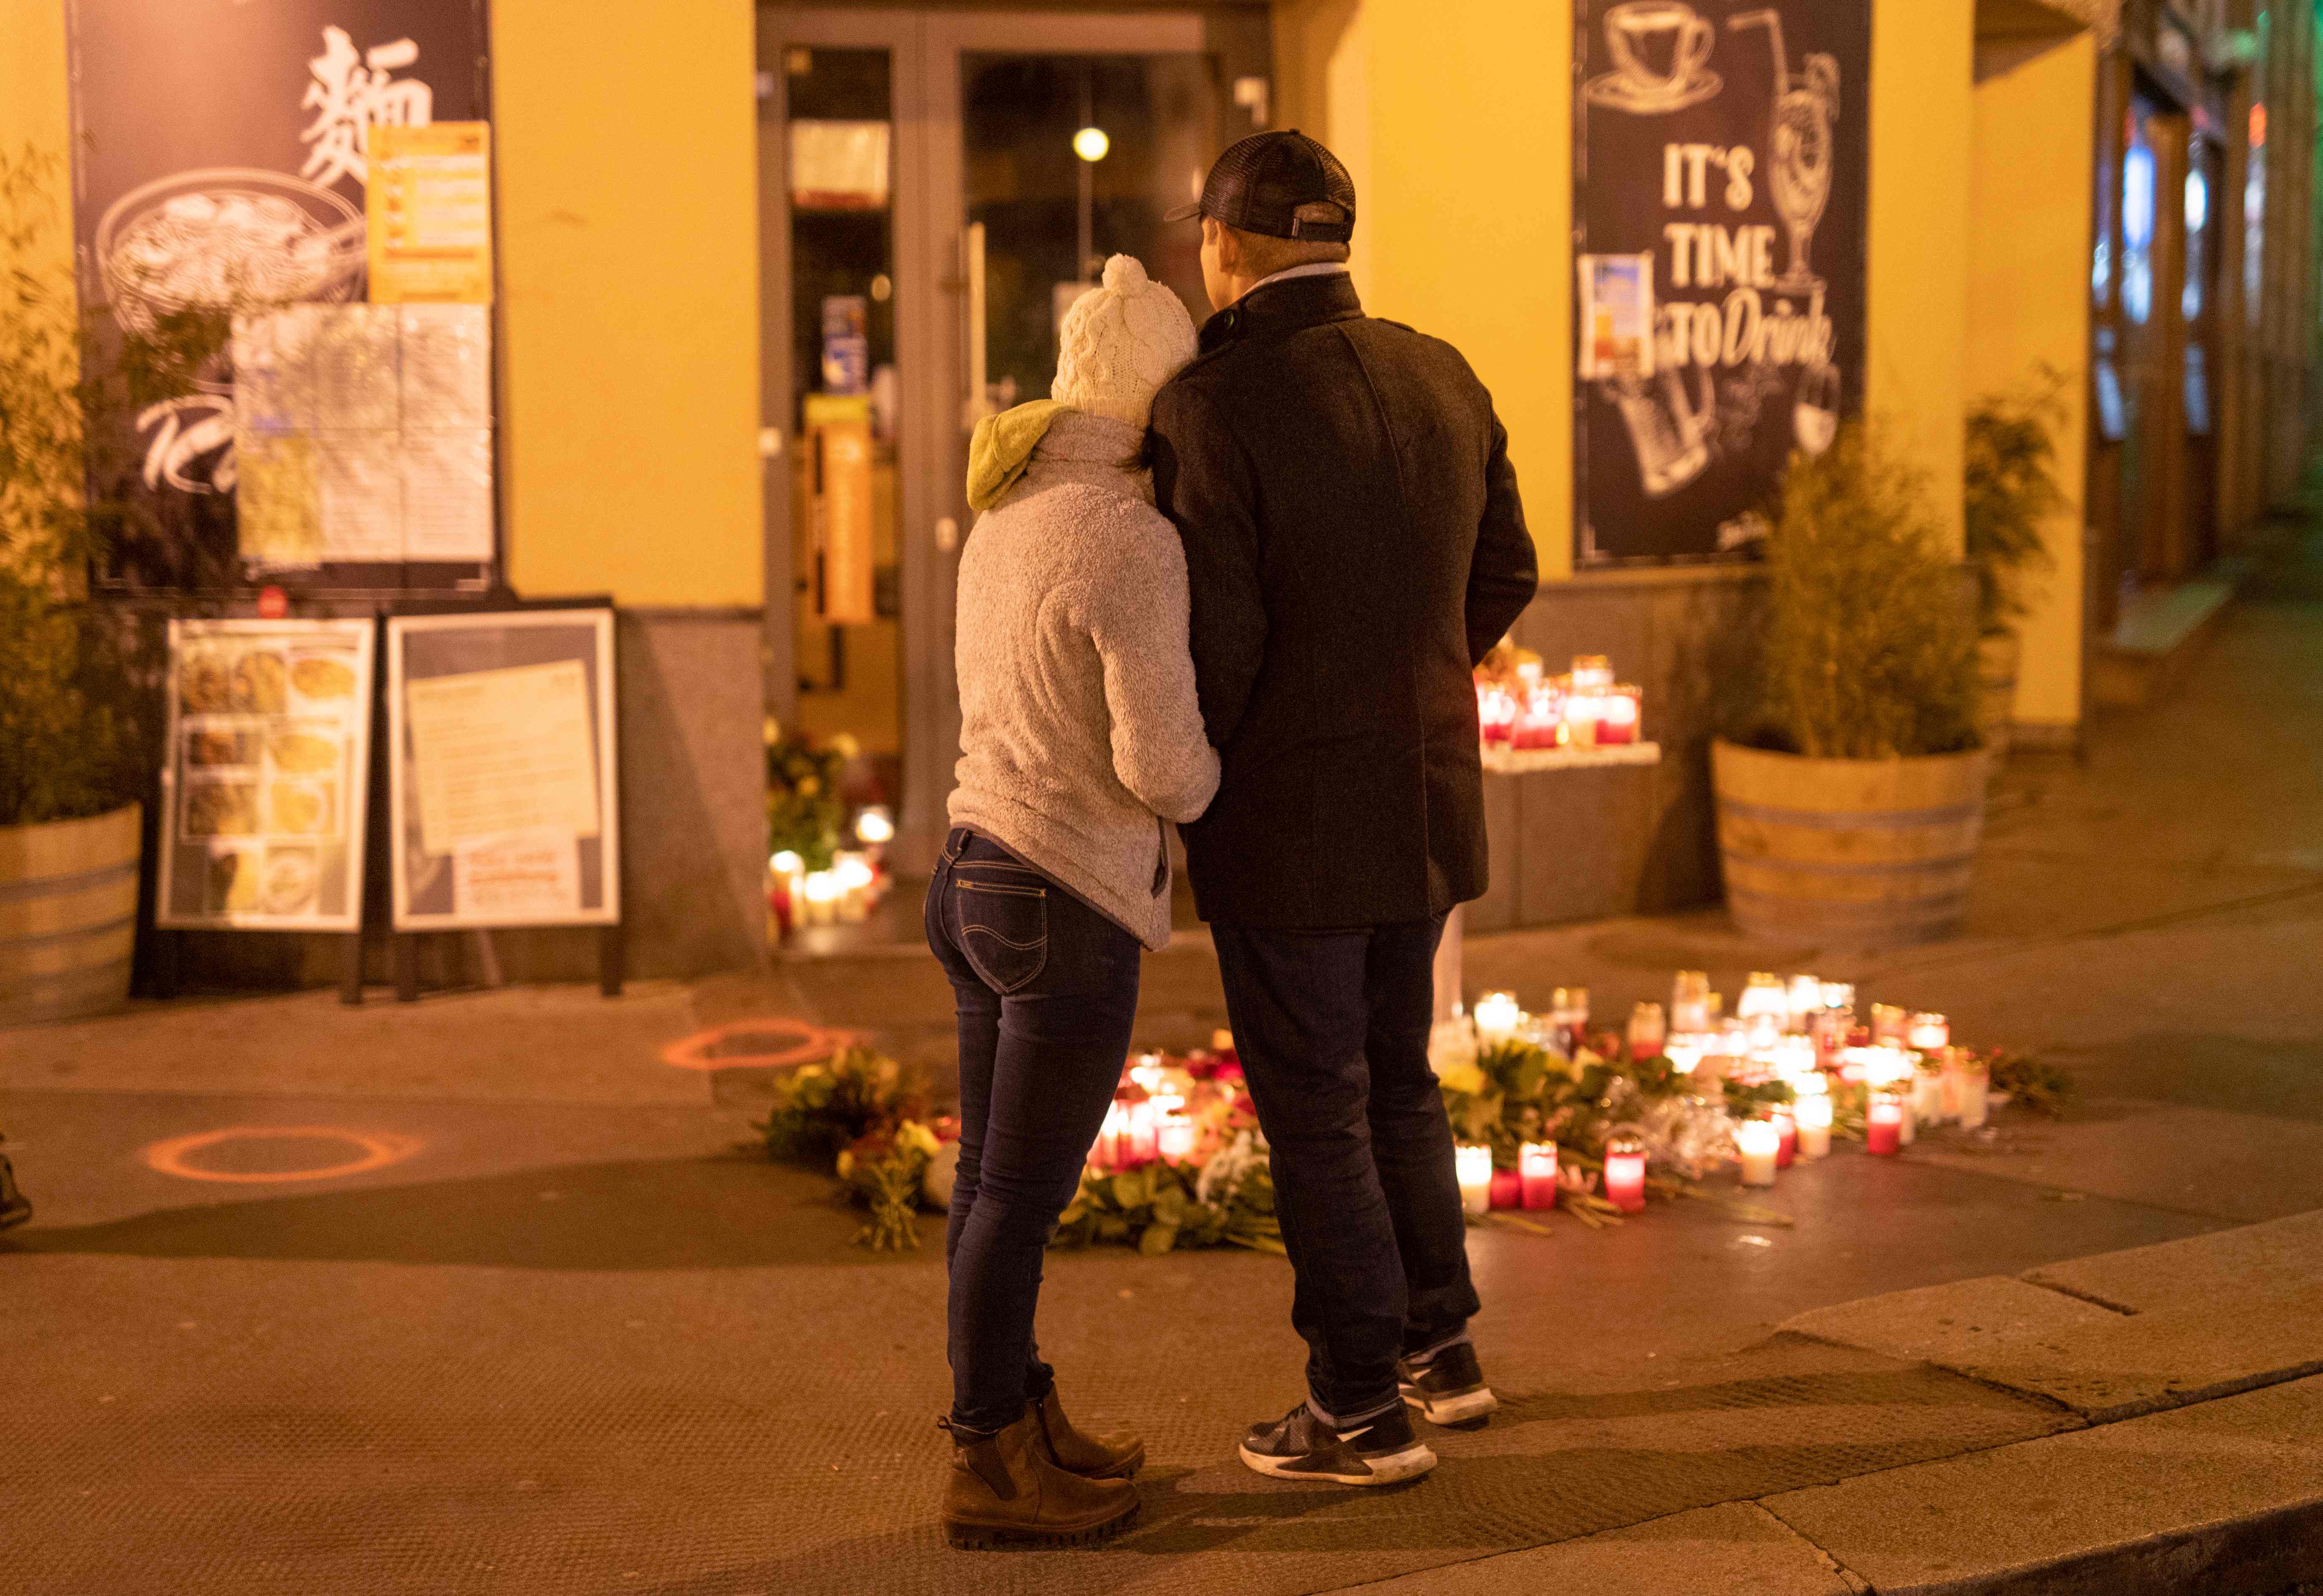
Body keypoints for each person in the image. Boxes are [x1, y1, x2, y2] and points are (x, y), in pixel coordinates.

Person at [1149, 131, 1539, 1487]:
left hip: (1293, 821)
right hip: (1424, 800)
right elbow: (1510, 570)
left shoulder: (1217, 405)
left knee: (1316, 1103)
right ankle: (1445, 1352)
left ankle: (1359, 1405)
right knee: (1396, 1081)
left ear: (1222, 245)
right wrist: (1419, 678)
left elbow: (1222, 644)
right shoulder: (1442, 371)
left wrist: (1194, 782)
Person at [929, 253, 1220, 1548]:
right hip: (1065, 890)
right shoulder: (1132, 537)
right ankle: (988, 1460)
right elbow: (1165, 767)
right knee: (1019, 1196)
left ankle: (1016, 1414)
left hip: (974, 869)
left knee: (990, 1180)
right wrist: (1224, 775)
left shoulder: (1006, 512)